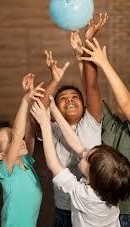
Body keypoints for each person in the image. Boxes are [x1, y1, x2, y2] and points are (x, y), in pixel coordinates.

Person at [80, 38, 130, 227]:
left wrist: (105, 62)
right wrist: (86, 52)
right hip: (110, 212)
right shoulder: (112, 124)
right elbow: (90, 89)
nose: (126, 98)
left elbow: (124, 102)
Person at [37, 14, 108, 227]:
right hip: (65, 209)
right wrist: (54, 80)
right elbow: (41, 105)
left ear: (84, 106)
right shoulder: (54, 127)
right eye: (63, 99)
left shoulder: (91, 120)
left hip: (93, 207)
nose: (69, 100)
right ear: (55, 107)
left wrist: (87, 43)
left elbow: (91, 86)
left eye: (74, 97)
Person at [30, 96, 130, 227]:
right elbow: (78, 145)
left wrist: (45, 124)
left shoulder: (86, 197)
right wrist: (54, 109)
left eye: (86, 158)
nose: (83, 153)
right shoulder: (110, 187)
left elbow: (53, 164)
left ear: (93, 176)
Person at [0, 74, 44, 227]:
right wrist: (25, 99)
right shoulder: (5, 169)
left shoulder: (26, 161)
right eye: (11, 141)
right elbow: (19, 134)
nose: (17, 141)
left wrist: (30, 95)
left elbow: (25, 128)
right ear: (1, 155)